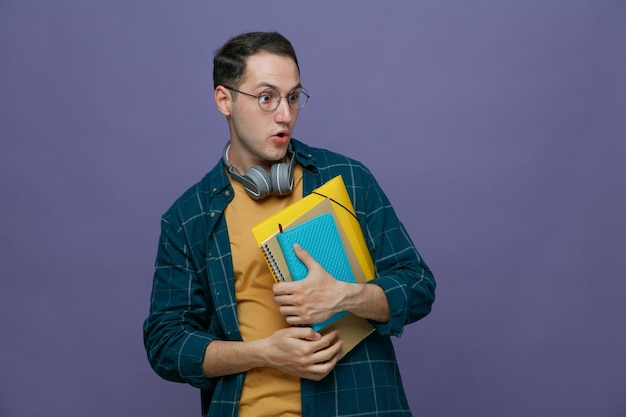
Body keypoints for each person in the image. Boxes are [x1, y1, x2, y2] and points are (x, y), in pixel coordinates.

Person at [143, 31, 435, 417]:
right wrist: (263, 353)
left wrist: (346, 296)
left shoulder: (347, 179)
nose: (284, 115)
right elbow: (166, 344)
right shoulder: (189, 216)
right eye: (266, 98)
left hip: (358, 406)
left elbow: (417, 286)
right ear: (224, 100)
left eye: (293, 97)